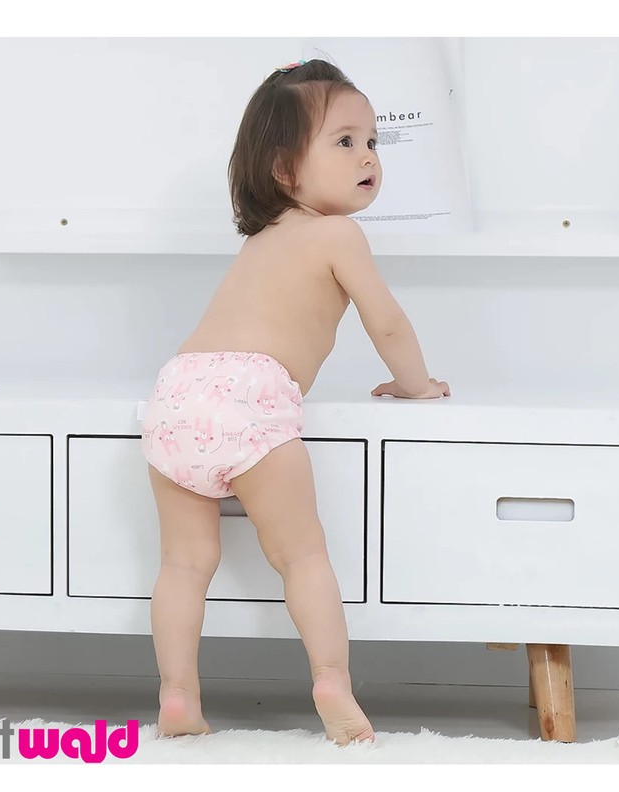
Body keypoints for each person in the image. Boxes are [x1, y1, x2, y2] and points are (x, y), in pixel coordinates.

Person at [141, 58, 451, 747]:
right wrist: (416, 385)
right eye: (344, 141)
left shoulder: (261, 240)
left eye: (372, 141)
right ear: (284, 170)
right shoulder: (338, 233)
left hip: (177, 393)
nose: (368, 156)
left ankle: (177, 693)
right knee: (302, 556)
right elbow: (386, 323)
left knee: (183, 563)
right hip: (251, 396)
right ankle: (331, 681)